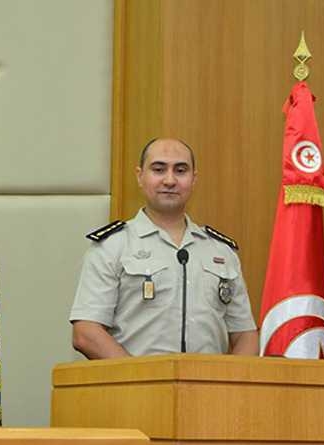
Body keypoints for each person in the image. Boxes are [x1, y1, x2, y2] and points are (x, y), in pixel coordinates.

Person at [69, 138, 258, 358]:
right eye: (158, 169)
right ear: (140, 176)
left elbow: (245, 334)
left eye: (180, 170)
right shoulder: (113, 246)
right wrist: (141, 380)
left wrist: (229, 385)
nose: (170, 180)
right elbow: (86, 332)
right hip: (135, 387)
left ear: (194, 179)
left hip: (209, 388)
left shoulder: (221, 251)